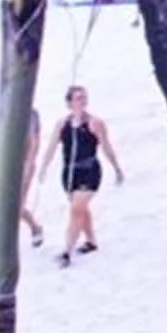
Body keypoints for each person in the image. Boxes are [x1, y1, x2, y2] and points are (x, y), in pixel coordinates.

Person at [53, 84, 120, 268]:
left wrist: (116, 168)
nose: (82, 101)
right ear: (69, 103)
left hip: (89, 171)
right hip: (70, 173)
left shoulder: (95, 123)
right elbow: (52, 146)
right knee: (81, 210)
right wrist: (42, 168)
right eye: (78, 98)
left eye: (84, 97)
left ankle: (67, 251)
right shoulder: (63, 124)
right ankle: (91, 241)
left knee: (76, 210)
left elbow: (106, 147)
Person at [19, 108, 43, 248]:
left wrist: (29, 165)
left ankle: (35, 227)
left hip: (22, 165)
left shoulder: (30, 114)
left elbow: (34, 142)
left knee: (17, 206)